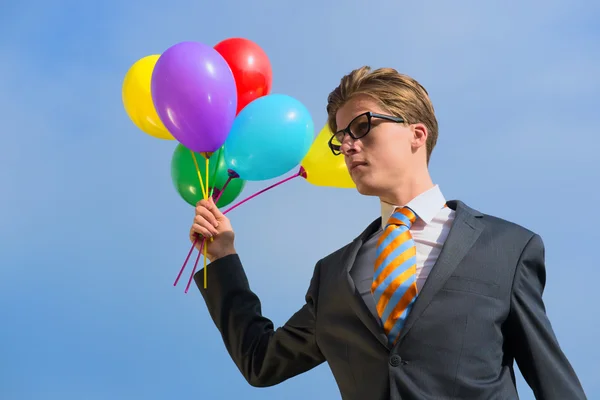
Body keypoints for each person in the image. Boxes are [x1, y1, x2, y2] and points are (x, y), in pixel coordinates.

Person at [189, 66, 586, 399]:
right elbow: (261, 361)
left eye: (361, 127)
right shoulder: (333, 275)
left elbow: (554, 383)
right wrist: (222, 257)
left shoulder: (507, 248)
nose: (347, 145)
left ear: (417, 134)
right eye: (340, 137)